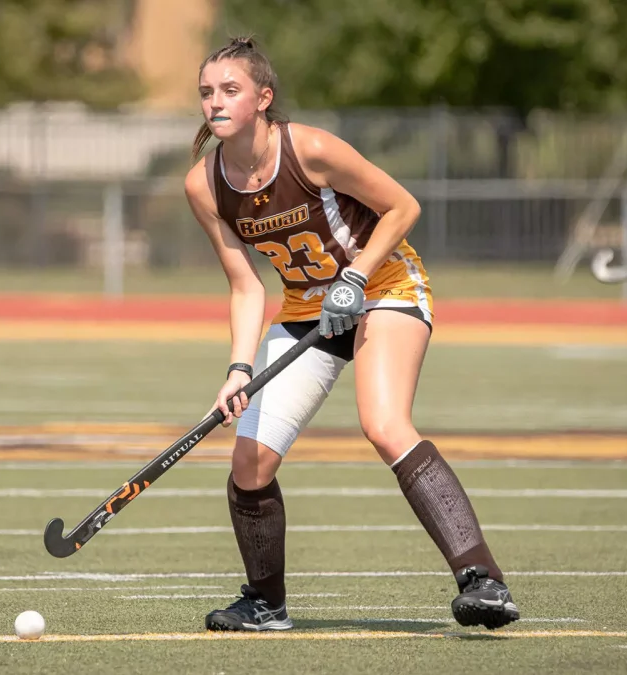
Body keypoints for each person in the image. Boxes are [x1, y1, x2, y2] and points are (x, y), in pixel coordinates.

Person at [182, 36, 520, 632]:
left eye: (229, 90)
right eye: (207, 92)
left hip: (384, 287)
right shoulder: (203, 185)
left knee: (384, 424)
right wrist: (238, 369)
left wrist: (355, 276)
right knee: (249, 463)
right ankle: (266, 604)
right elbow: (246, 286)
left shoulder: (309, 148)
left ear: (264, 98)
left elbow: (402, 206)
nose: (215, 102)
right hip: (306, 309)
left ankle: (483, 581)